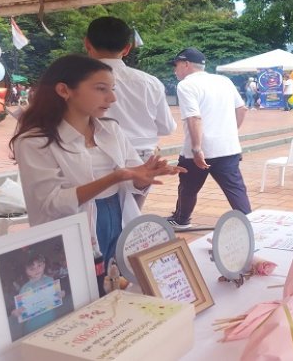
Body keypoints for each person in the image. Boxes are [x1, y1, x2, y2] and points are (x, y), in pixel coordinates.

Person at [10, 55, 183, 293]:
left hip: (118, 215)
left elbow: (132, 175)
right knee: (83, 291)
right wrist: (115, 177)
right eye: (101, 89)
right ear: (64, 90)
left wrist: (144, 178)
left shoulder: (110, 129)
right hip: (74, 226)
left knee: (116, 281)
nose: (111, 98)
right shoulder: (35, 141)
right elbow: (50, 203)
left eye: (111, 89)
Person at [84, 16, 177, 207]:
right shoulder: (150, 82)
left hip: (96, 156)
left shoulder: (79, 81)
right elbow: (167, 127)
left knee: (96, 216)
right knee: (131, 219)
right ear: (127, 48)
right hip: (142, 157)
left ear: (87, 44)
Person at [166, 47, 251, 229]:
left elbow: (194, 117)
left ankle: (181, 219)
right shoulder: (224, 81)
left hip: (198, 151)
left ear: (186, 64)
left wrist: (197, 148)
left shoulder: (186, 85)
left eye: (176, 65)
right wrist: (229, 132)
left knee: (188, 187)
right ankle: (249, 223)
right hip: (228, 148)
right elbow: (242, 109)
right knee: (236, 189)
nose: (175, 70)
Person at [11, 253, 61, 335]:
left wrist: (60, 294)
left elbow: (56, 297)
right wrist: (15, 312)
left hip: (51, 321)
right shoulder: (24, 289)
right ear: (26, 271)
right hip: (33, 328)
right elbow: (18, 310)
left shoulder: (50, 280)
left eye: (39, 266)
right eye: (32, 269)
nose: (36, 270)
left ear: (44, 265)